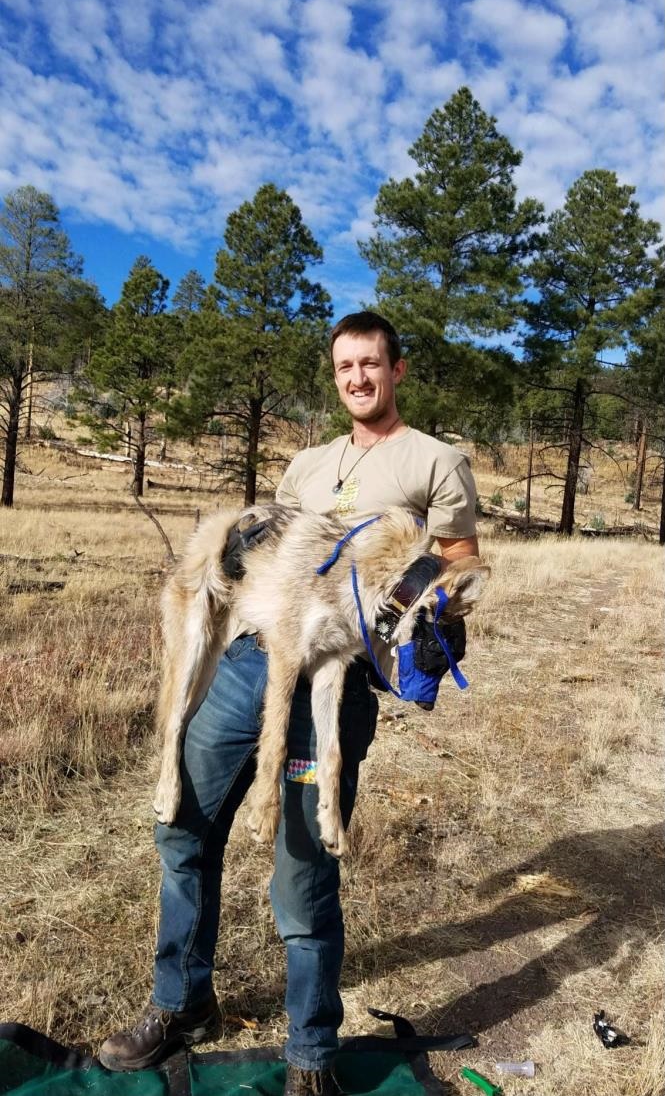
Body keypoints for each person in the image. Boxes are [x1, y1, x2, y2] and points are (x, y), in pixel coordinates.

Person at [99, 311, 479, 1095]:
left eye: (370, 365)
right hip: (248, 665)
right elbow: (267, 547)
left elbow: (461, 563)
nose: (357, 379)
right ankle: (180, 1002)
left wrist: (431, 608)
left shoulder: (434, 461)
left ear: (396, 370)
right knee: (184, 831)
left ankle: (310, 1053)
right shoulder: (308, 463)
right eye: (344, 368)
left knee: (303, 875)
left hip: (332, 689)